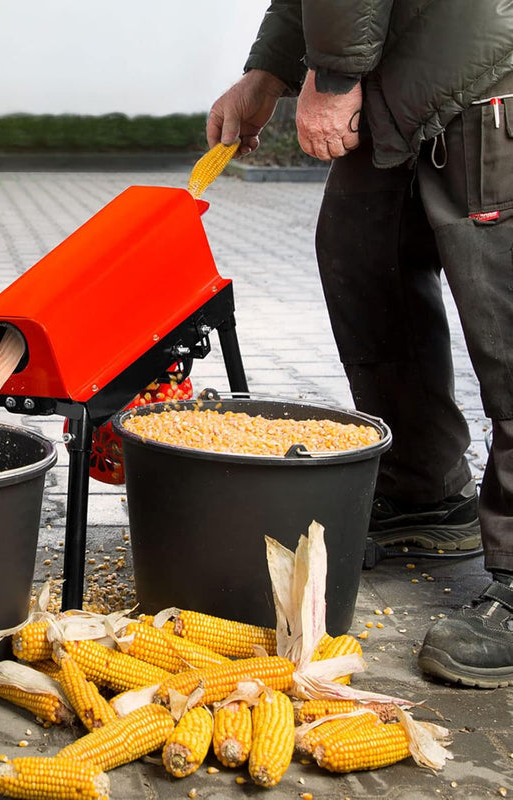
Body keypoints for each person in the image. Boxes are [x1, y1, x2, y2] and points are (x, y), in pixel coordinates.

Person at [206, 1, 513, 688]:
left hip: (486, 61)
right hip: (405, 73)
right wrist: (268, 72)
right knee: (361, 252)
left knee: (507, 323)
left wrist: (337, 75)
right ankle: (426, 495)